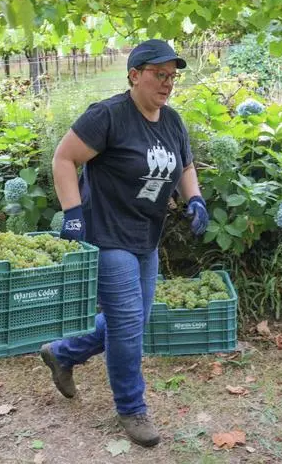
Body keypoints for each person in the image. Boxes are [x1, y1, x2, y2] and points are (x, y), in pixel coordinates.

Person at [40, 39, 209, 447]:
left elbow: (185, 165)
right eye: (159, 74)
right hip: (106, 234)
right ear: (134, 75)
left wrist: (195, 198)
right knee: (129, 323)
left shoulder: (172, 121)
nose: (167, 83)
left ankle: (63, 353)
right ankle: (132, 408)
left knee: (132, 320)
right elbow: (64, 158)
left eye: (172, 76)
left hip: (145, 236)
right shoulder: (109, 115)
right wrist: (73, 213)